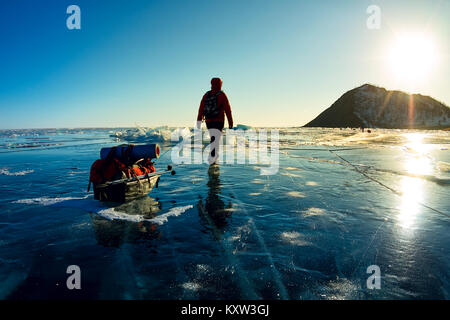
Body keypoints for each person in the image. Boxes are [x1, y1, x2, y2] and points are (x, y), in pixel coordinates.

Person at [197, 77, 233, 164]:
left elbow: (201, 109)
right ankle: (213, 157)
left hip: (208, 121)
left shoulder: (206, 95)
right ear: (220, 84)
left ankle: (213, 156)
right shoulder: (222, 95)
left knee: (213, 138)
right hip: (218, 120)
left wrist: (199, 121)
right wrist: (230, 122)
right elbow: (228, 109)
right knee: (216, 139)